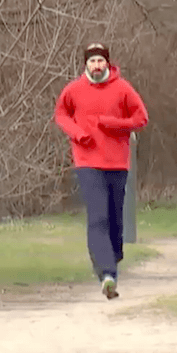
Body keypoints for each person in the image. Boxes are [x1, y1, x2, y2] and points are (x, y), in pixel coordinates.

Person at [54, 43, 149, 299]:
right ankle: (107, 275)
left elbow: (141, 119)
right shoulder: (73, 90)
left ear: (108, 63)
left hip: (117, 163)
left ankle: (112, 257)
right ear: (85, 64)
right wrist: (77, 133)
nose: (96, 66)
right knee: (98, 218)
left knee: (115, 220)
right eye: (92, 61)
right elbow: (61, 114)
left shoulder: (123, 89)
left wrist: (113, 124)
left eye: (100, 61)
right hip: (87, 162)